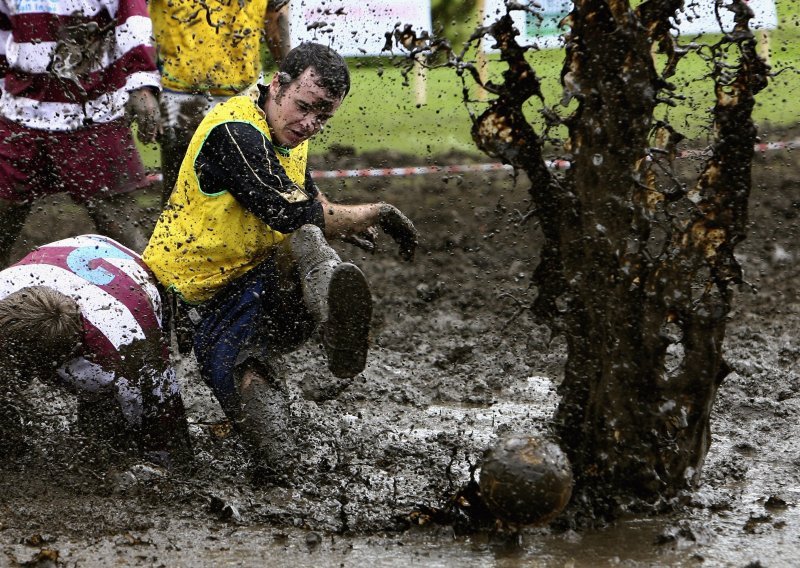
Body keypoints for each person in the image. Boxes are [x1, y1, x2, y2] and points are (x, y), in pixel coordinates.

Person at [143, 42, 418, 484]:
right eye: (304, 108)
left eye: (324, 118)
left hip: (259, 274)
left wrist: (338, 218)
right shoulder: (235, 130)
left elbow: (304, 196)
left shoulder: (288, 129)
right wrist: (370, 213)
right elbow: (287, 211)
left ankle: (336, 323)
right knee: (276, 456)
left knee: (307, 235)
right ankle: (316, 333)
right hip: (197, 296)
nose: (310, 124)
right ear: (278, 84)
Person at [0, 234, 191, 467]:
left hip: (137, 280)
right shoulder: (4, 291)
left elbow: (165, 412)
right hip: (76, 251)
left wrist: (169, 465)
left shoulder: (127, 347)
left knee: (110, 425)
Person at [0, 0, 161, 266]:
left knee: (119, 224)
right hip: (20, 113)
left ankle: (153, 295)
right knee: (3, 216)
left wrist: (142, 83)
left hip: (93, 114)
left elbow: (131, 20)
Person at [149, 0, 292, 204]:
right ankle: (175, 233)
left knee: (252, 183)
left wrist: (290, 83)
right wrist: (146, 86)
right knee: (180, 189)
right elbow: (137, 21)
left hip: (244, 91)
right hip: (181, 93)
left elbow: (277, 22)